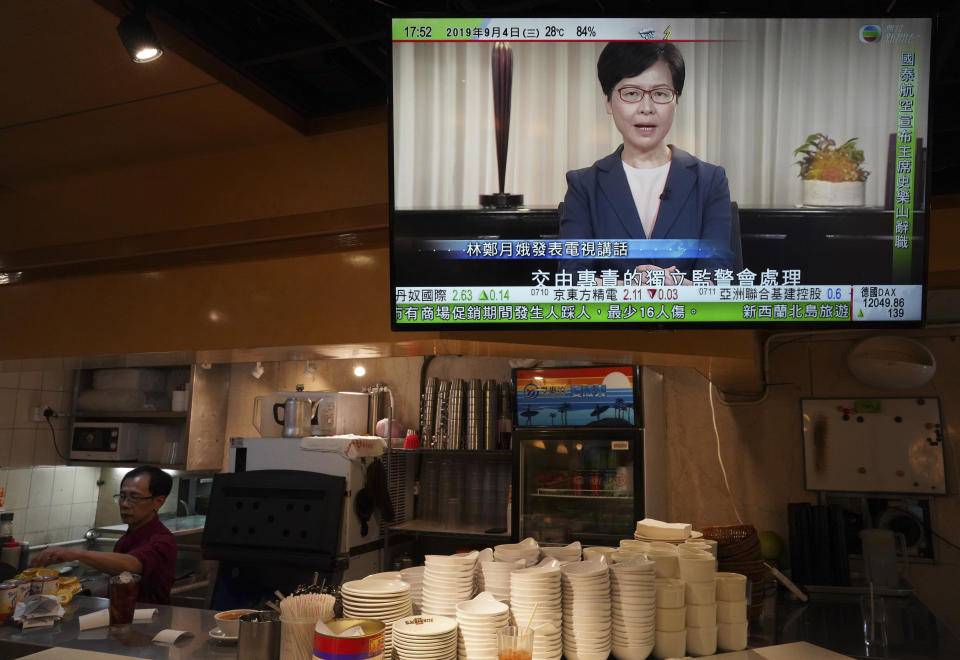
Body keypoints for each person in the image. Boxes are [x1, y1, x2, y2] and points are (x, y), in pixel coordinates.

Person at [559, 42, 733, 284]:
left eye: (660, 94)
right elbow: (572, 276)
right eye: (631, 93)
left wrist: (672, 285)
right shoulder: (584, 185)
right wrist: (633, 287)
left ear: (676, 100)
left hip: (686, 320)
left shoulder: (711, 181)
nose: (647, 108)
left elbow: (719, 277)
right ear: (608, 102)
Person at [32, 466, 177, 604]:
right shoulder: (124, 540)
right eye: (122, 496)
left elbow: (133, 564)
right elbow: (121, 583)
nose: (124, 504)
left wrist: (76, 554)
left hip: (150, 622)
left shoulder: (162, 541)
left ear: (158, 502)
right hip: (121, 618)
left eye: (135, 497)